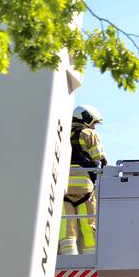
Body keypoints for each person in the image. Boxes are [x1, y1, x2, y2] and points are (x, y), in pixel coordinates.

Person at [59, 105, 106, 255]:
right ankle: (90, 257)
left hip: (62, 187)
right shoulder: (89, 134)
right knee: (88, 225)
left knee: (67, 226)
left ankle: (68, 257)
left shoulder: (61, 133)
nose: (94, 127)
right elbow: (99, 159)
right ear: (86, 119)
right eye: (94, 123)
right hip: (84, 187)